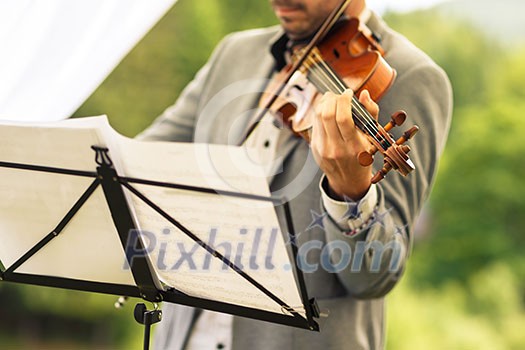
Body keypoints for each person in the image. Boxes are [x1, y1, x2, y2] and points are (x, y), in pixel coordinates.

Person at [138, 0, 452, 349]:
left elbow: (373, 276)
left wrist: (351, 192)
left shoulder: (411, 74)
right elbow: (138, 161)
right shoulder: (234, 52)